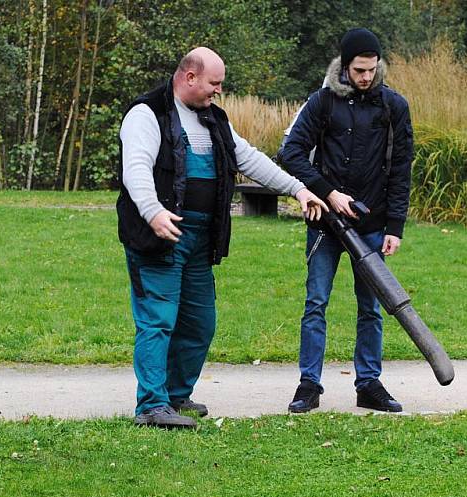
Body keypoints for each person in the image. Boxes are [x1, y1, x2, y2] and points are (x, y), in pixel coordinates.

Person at [117, 46, 327, 429]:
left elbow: (248, 158)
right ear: (190, 76)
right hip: (158, 237)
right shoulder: (146, 114)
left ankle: (177, 395)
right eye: (214, 83)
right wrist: (153, 211)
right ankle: (151, 405)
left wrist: (298, 189)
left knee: (200, 322)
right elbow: (136, 168)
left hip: (200, 240)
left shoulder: (214, 120)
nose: (218, 91)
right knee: (158, 320)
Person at [280, 28, 414, 414]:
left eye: (372, 69)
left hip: (372, 227)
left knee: (371, 307)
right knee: (316, 302)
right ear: (344, 66)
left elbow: (401, 169)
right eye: (359, 70)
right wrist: (327, 192)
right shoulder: (321, 103)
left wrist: (395, 227)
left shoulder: (394, 107)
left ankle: (368, 384)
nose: (366, 77)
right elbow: (291, 152)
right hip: (326, 224)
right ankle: (309, 385)